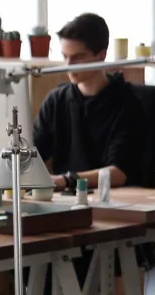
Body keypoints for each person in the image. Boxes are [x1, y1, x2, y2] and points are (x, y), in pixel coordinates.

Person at [33, 13, 145, 192]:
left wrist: (66, 180)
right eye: (65, 56)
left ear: (101, 55)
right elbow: (33, 155)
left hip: (114, 201)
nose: (68, 64)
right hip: (64, 201)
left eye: (77, 57)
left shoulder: (128, 103)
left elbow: (119, 173)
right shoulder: (55, 101)